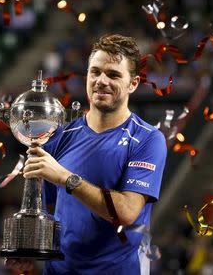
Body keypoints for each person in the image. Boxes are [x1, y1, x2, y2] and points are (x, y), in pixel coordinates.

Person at [13, 34, 167, 274]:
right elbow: (44, 207)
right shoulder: (59, 136)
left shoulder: (148, 139)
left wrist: (67, 178)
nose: (101, 81)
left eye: (114, 75)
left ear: (133, 84)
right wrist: (28, 248)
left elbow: (126, 212)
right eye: (95, 72)